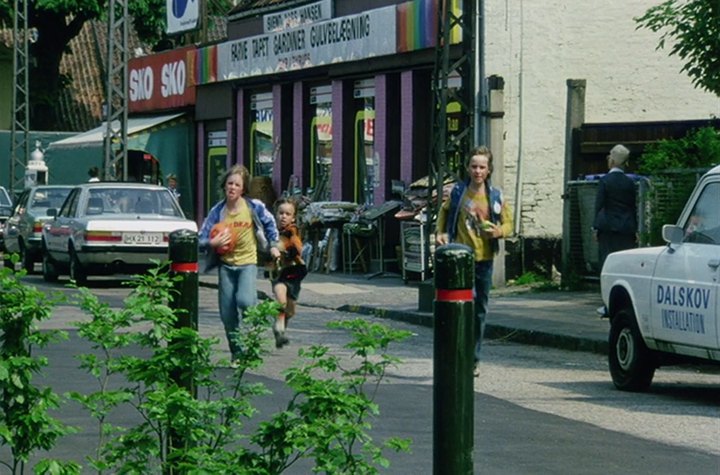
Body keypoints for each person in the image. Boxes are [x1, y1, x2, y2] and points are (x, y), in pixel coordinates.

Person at [435, 146, 513, 376]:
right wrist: (440, 233)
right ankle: (455, 353)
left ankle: (473, 359)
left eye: (482, 167)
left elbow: (509, 224)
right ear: (468, 168)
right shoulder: (458, 192)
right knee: (462, 308)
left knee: (479, 311)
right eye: (474, 166)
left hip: (485, 260)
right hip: (461, 259)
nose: (477, 171)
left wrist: (498, 232)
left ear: (489, 170)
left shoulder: (496, 196)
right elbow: (444, 213)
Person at [198, 165, 281, 362]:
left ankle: (254, 336)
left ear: (243, 189)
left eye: (237, 184)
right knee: (227, 313)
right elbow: (200, 238)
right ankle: (238, 352)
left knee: (245, 301)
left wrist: (274, 246)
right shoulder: (217, 211)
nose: (232, 187)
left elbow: (270, 224)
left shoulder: (254, 207)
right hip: (226, 266)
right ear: (225, 186)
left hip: (248, 263)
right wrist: (212, 243)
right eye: (230, 184)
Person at [593, 144, 637, 316]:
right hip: (626, 228)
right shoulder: (629, 182)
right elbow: (633, 206)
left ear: (612, 160)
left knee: (607, 265)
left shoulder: (605, 181)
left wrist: (595, 227)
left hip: (608, 228)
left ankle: (607, 303)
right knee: (624, 267)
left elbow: (599, 205)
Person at [268, 198, 307, 348]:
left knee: (290, 310)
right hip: (277, 272)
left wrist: (287, 248)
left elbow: (297, 248)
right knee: (281, 299)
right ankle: (279, 329)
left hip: (294, 272)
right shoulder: (270, 231)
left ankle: (282, 323)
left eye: (287, 214)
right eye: (281, 213)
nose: (284, 216)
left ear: (293, 217)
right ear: (276, 214)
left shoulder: (293, 232)